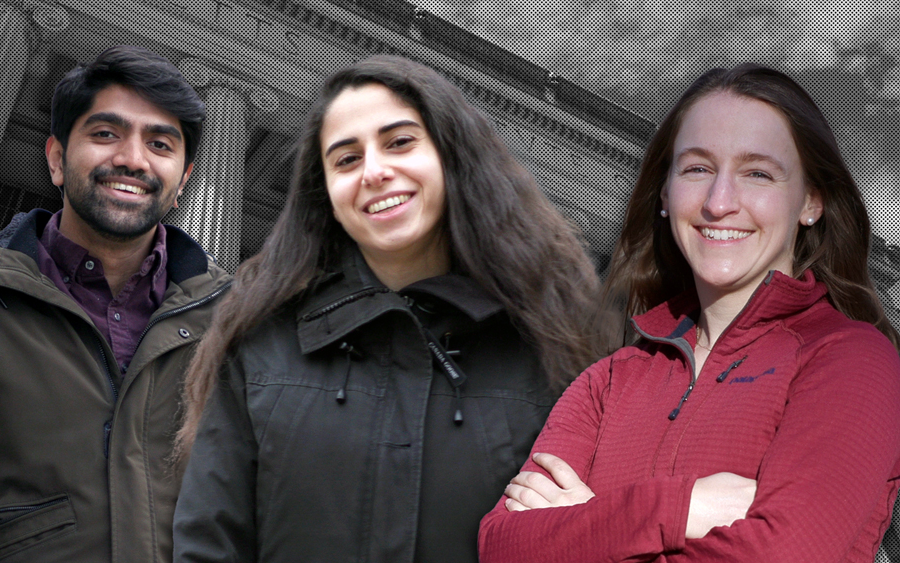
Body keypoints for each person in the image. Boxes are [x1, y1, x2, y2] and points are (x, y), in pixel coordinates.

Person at [171, 54, 607, 563]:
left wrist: (599, 529)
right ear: (326, 193)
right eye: (346, 159)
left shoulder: (551, 350)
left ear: (450, 156)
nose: (375, 171)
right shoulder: (259, 349)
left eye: (400, 142)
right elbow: (209, 546)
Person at [478, 63, 900, 562]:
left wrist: (589, 524)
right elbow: (502, 547)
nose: (719, 203)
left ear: (810, 201)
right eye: (697, 169)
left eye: (757, 173)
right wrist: (679, 509)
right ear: (664, 194)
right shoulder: (607, 383)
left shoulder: (852, 362)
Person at [0, 45, 232, 563]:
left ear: (183, 180)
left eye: (161, 144)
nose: (133, 158)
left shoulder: (234, 324)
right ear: (56, 158)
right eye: (105, 134)